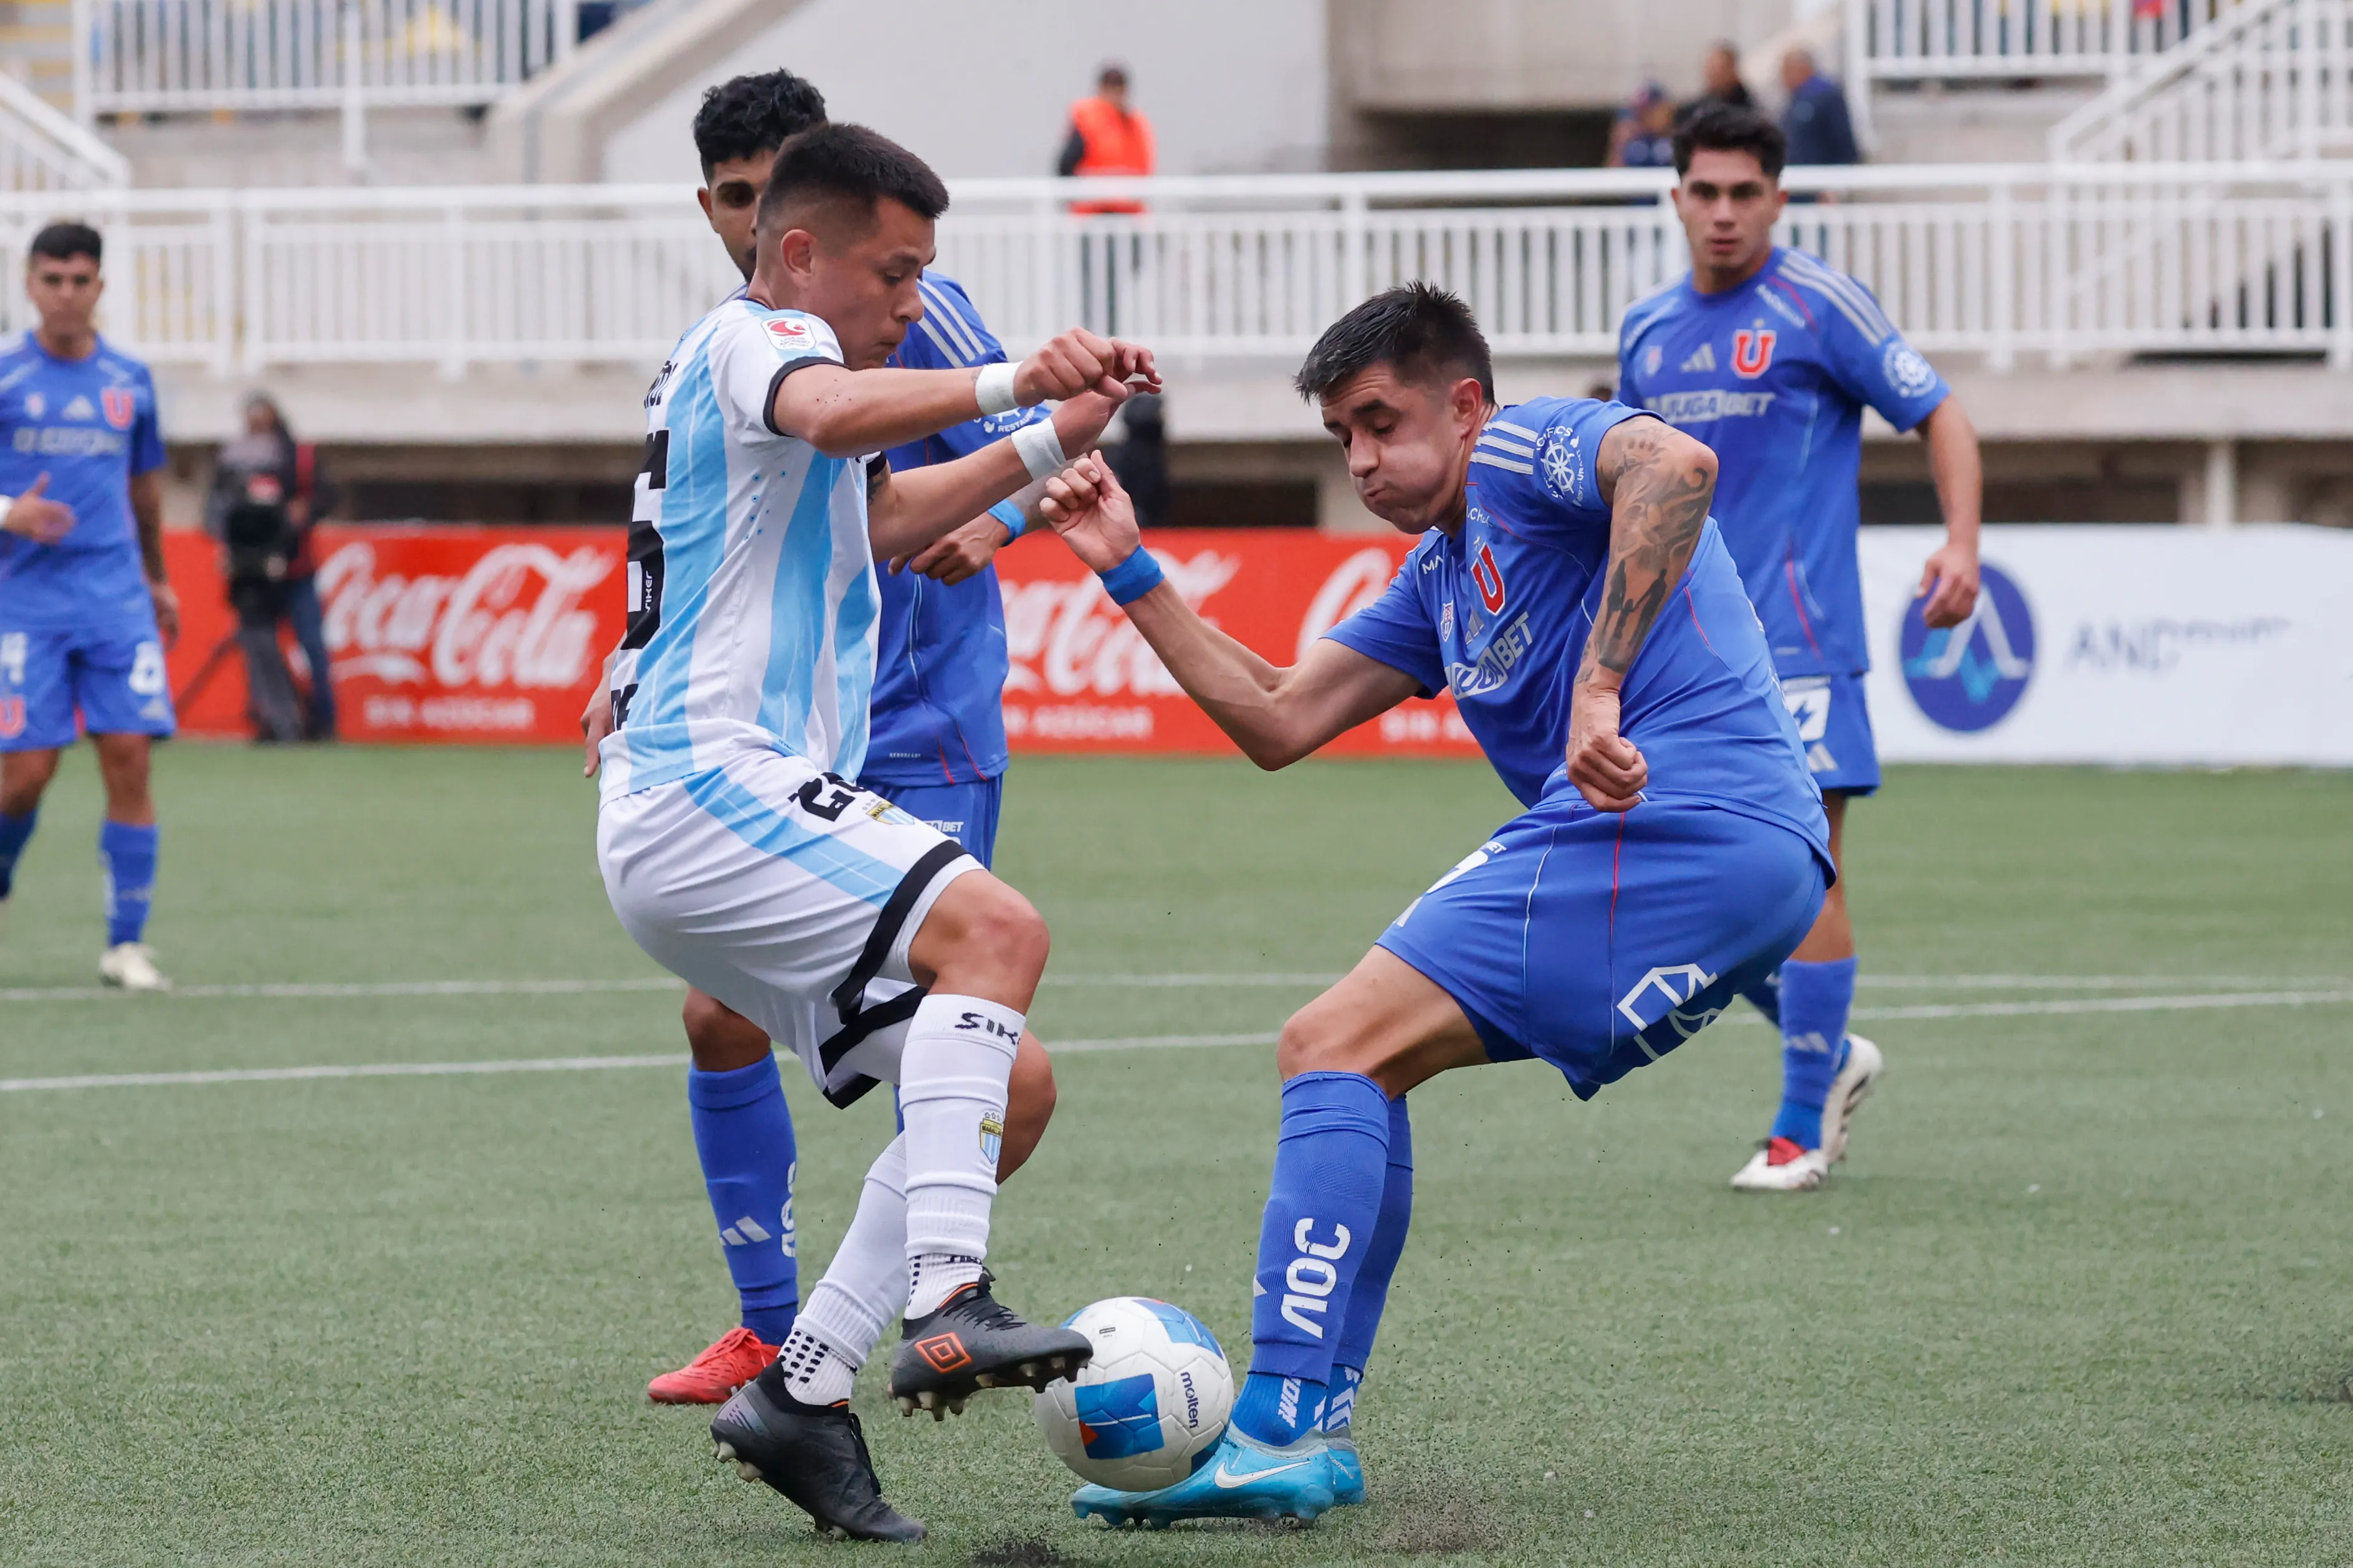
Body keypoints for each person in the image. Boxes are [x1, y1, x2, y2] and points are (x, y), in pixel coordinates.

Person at [1034, 283, 1831, 1525]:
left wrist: (1600, 687)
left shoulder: (1519, 450)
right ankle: (1308, 1424)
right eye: (1339, 438)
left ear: (1463, 406)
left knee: (1327, 1041)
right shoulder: (1441, 571)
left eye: (1379, 423)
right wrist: (1124, 565)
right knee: (1360, 1059)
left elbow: (1674, 461)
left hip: (1691, 822)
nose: (1361, 461)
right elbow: (1279, 716)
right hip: (1726, 853)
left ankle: (1283, 1423)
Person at [593, 121, 1155, 1539]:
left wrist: (1045, 440)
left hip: (718, 802)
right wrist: (1011, 374)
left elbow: (888, 511)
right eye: (895, 273)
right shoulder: (747, 338)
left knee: (1005, 1083)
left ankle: (805, 1387)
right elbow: (843, 421)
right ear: (799, 256)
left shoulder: (786, 375)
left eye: (924, 276)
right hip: (701, 779)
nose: (914, 301)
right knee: (1001, 928)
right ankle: (953, 1292)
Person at [1615, 104, 1982, 1191]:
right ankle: (1827, 1047)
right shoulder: (1645, 330)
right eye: (1705, 191)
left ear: (1778, 198)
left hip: (1803, 642)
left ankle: (1797, 1126)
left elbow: (1943, 416)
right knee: (1695, 891)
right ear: (1676, 195)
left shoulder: (1819, 305)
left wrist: (1961, 545)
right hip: (1681, 656)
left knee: (1805, 871)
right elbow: (1630, 487)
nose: (1724, 213)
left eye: (1745, 193)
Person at [0, 222, 176, 991]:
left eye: (80, 280)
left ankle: (125, 946)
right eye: (52, 280)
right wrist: (10, 511)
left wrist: (160, 578)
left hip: (114, 596)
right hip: (24, 601)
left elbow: (144, 490)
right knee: (25, 776)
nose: (66, 294)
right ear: (29, 285)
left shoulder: (130, 379)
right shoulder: (5, 374)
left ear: (100, 286)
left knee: (129, 757)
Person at [206, 393, 335, 743]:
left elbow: (323, 498)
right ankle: (272, 717)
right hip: (254, 571)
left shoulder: (298, 456)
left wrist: (301, 512)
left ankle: (324, 719)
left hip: (295, 566)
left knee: (311, 644)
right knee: (259, 646)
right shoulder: (236, 458)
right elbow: (219, 508)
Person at [1057, 63, 1155, 211]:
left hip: (1128, 211)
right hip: (1094, 212)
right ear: (1101, 89)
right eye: (1110, 87)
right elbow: (1066, 164)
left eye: (1118, 87)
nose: (1114, 93)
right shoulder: (1087, 120)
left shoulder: (1136, 122)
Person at [1780, 47, 1860, 166]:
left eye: (1786, 71)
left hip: (1822, 173)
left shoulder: (1824, 94)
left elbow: (1842, 137)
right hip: (1798, 174)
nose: (1783, 78)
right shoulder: (1796, 97)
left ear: (1802, 68)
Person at [1677, 40, 1755, 123]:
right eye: (1709, 67)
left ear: (1732, 69)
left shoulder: (1746, 109)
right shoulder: (1701, 104)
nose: (1710, 74)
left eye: (1717, 68)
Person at [1606, 82, 1678, 170]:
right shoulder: (1632, 141)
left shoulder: (1676, 139)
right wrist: (1619, 145)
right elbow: (1612, 175)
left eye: (1650, 110)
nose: (1642, 116)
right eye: (1639, 111)